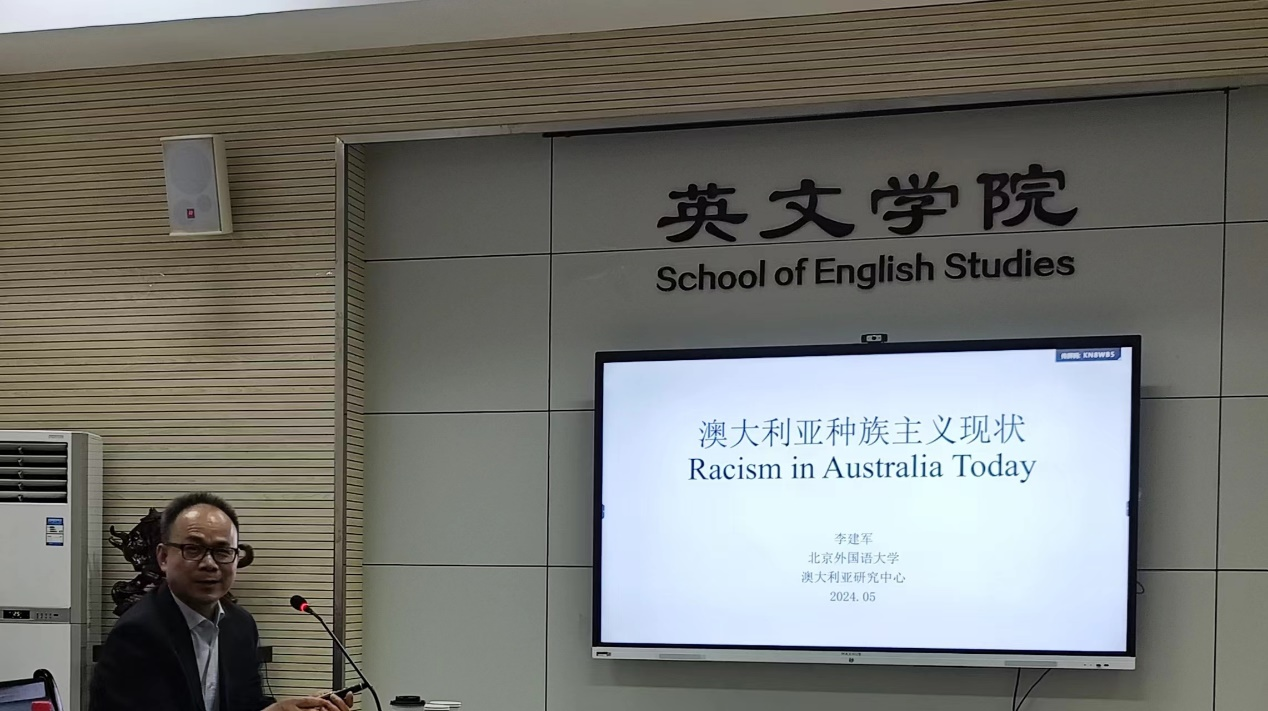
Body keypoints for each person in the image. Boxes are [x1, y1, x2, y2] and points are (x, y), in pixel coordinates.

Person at [90, 492, 355, 711]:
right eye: (193, 549)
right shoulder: (138, 633)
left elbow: (247, 704)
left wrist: (294, 708)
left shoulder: (240, 625)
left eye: (222, 551)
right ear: (163, 557)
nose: (209, 563)